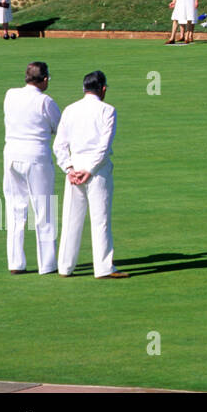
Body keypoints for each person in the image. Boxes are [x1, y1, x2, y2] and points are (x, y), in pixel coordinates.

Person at [55, 70, 127, 279]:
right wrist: (90, 170)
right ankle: (103, 268)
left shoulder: (70, 109)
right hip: (97, 169)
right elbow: (104, 146)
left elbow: (59, 144)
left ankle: (65, 267)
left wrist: (69, 168)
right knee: (100, 219)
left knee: (70, 218)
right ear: (103, 89)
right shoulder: (108, 110)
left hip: (75, 167)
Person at [3, 61, 61, 275]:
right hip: (36, 156)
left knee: (15, 208)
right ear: (44, 79)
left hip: (11, 155)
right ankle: (47, 264)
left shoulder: (10, 94)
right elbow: (59, 128)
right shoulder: (45, 101)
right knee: (44, 209)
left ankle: (16, 262)